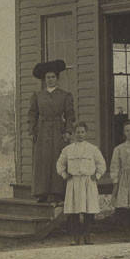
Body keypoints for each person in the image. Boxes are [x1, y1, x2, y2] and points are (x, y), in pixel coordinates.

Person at [28, 59, 76, 203]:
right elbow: (32, 114)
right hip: (42, 131)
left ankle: (57, 192)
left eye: (53, 77)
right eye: (48, 77)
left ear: (57, 78)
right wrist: (31, 131)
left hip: (58, 130)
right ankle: (41, 192)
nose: (50, 80)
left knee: (57, 159)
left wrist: (68, 131)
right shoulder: (37, 95)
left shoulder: (65, 95)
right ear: (44, 79)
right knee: (42, 160)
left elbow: (70, 115)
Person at [56, 121, 107, 245]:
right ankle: (75, 237)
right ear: (74, 134)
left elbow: (102, 164)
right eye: (78, 132)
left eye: (82, 132)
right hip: (73, 181)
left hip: (88, 181)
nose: (80, 134)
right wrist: (64, 174)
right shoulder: (67, 150)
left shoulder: (92, 149)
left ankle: (87, 236)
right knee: (73, 211)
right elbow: (60, 164)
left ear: (86, 133)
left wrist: (98, 175)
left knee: (89, 210)